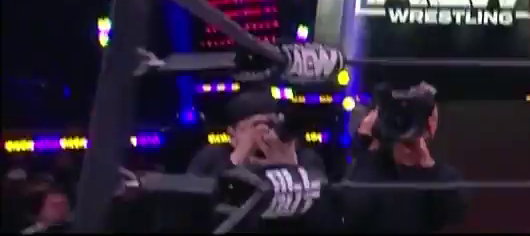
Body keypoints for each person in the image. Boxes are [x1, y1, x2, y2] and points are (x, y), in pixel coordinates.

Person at [182, 89, 337, 232]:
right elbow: (191, 211)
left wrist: (291, 171)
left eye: (272, 125)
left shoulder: (305, 158)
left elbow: (326, 216)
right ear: (233, 134)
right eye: (256, 126)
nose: (265, 133)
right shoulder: (211, 158)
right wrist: (237, 161)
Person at [337, 87, 468, 234]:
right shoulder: (368, 166)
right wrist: (368, 141)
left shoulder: (439, 175)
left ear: (431, 127)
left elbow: (457, 211)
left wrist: (427, 164)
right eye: (397, 115)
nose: (402, 122)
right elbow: (352, 209)